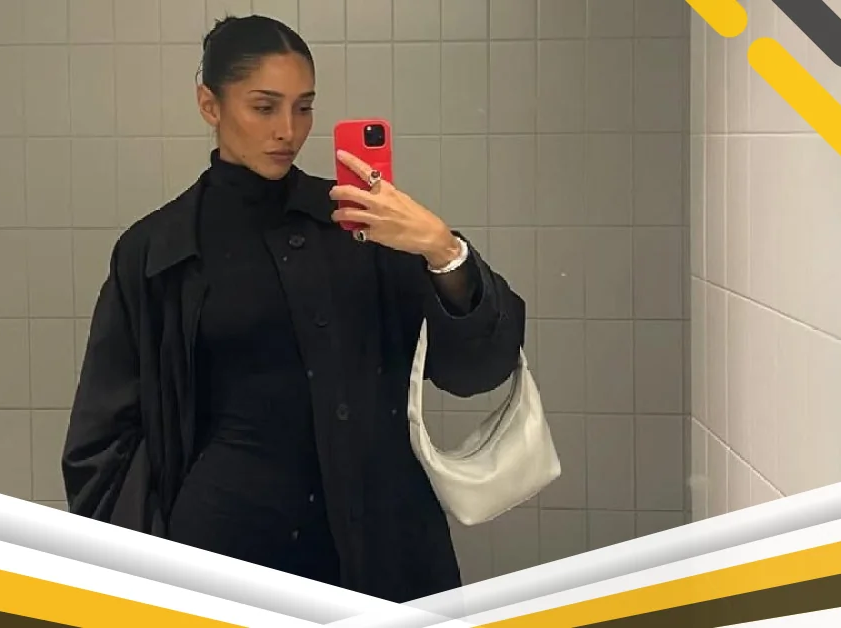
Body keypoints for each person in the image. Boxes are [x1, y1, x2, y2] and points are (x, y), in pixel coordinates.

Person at [62, 14, 527, 603]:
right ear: (210, 105)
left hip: (379, 546)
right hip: (222, 550)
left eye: (303, 107)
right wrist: (149, 563)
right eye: (264, 107)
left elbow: (476, 371)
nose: (288, 130)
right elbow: (102, 438)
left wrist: (442, 251)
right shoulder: (158, 252)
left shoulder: (360, 224)